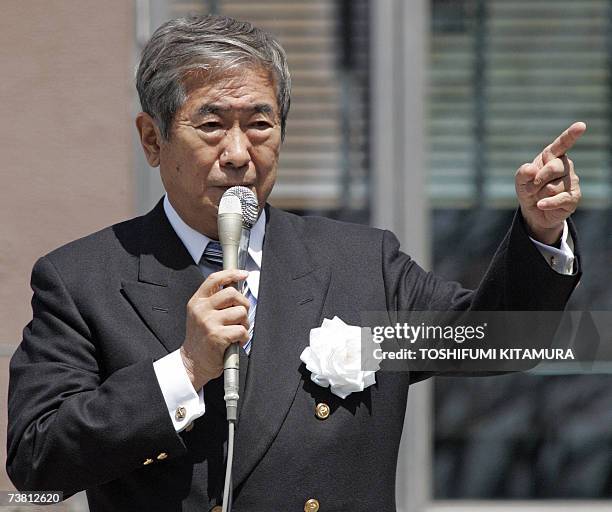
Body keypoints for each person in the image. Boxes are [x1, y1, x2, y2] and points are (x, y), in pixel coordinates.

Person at [7, 14, 584, 511]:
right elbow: (36, 465)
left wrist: (540, 230)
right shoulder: (83, 279)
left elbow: (496, 341)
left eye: (259, 124)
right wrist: (183, 369)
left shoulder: (361, 263)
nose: (238, 155)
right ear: (153, 140)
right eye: (211, 125)